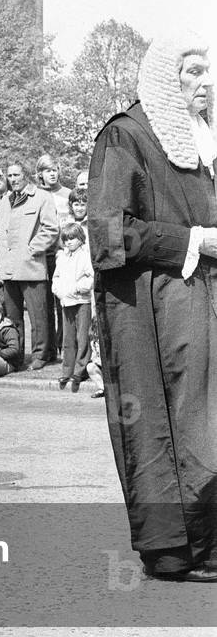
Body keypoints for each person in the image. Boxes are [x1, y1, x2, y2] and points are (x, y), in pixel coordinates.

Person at [88, 33, 217, 582]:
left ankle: (207, 541)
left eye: (207, 72)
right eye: (192, 72)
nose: (206, 82)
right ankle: (172, 548)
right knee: (168, 424)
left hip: (201, 298)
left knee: (206, 421)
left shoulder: (202, 145)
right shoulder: (125, 136)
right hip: (152, 306)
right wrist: (193, 241)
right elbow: (109, 233)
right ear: (167, 79)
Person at [0, 161, 59, 369]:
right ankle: (16, 356)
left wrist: (32, 250)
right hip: (9, 269)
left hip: (31, 267)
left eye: (16, 175)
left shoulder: (42, 197)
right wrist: (1, 260)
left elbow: (51, 229)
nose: (13, 179)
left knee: (38, 316)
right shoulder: (5, 200)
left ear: (26, 176)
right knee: (13, 317)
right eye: (10, 176)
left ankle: (40, 355)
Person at [36, 153, 72, 353]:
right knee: (43, 302)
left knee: (62, 300)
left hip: (62, 253)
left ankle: (63, 344)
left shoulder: (67, 194)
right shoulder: (36, 195)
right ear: (40, 174)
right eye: (47, 170)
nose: (52, 174)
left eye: (54, 169)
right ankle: (47, 346)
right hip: (42, 254)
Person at [51, 221, 93, 392]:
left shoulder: (85, 255)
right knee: (67, 338)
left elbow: (91, 277)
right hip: (66, 301)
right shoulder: (62, 257)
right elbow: (56, 277)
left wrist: (78, 288)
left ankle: (80, 370)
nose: (69, 242)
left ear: (80, 238)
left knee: (82, 336)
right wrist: (59, 291)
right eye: (66, 239)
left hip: (81, 301)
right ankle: (67, 370)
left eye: (72, 239)